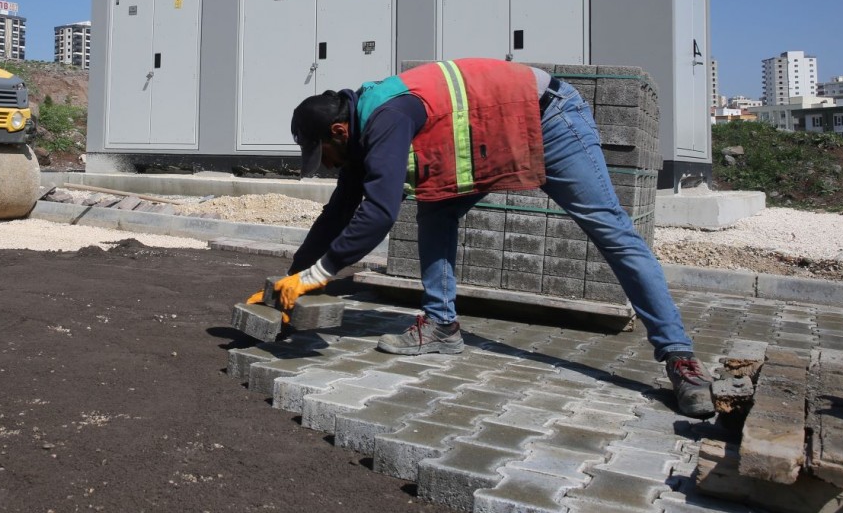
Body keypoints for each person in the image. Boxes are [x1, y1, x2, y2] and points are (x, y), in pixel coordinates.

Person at [268, 58, 714, 419]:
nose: (324, 166)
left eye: (322, 154)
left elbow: (379, 213)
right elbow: (339, 211)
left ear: (339, 132)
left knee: (612, 232)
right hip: (491, 134)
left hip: (548, 118)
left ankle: (680, 357)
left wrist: (319, 273)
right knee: (436, 209)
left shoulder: (385, 115)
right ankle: (441, 326)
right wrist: (287, 283)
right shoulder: (364, 125)